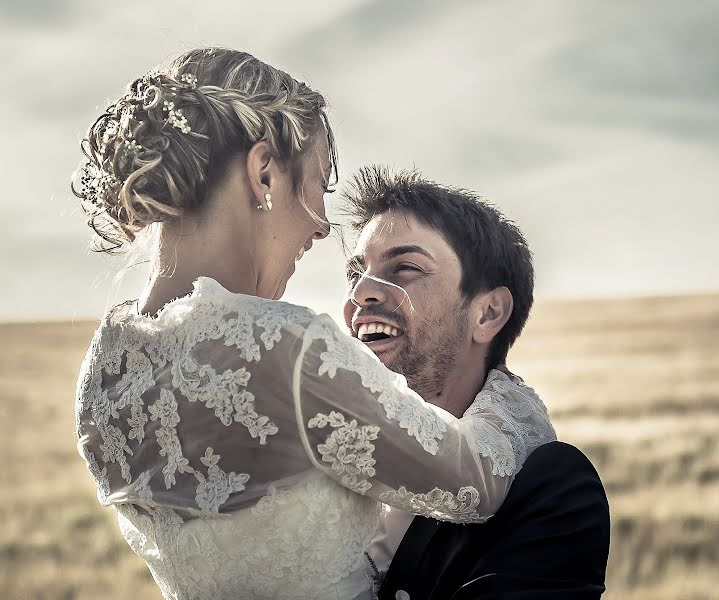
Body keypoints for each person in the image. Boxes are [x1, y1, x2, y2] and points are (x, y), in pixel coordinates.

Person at [72, 47, 555, 599]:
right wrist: (509, 393)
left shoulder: (102, 372)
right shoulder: (286, 349)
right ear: (263, 173)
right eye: (320, 183)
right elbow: (476, 484)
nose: (323, 226)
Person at [340, 168, 610, 599]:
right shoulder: (319, 450)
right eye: (356, 273)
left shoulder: (550, 488)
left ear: (487, 314)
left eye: (405, 268)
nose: (360, 295)